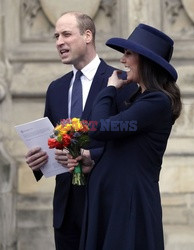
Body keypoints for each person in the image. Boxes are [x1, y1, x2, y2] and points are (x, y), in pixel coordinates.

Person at [25, 11, 136, 250]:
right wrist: (38, 161)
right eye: (56, 36)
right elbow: (52, 141)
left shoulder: (121, 81)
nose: (59, 42)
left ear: (88, 35)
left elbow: (128, 144)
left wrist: (91, 156)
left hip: (104, 204)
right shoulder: (56, 88)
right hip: (66, 212)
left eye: (66, 34)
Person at [77, 23, 182, 250]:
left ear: (145, 60)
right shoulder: (139, 100)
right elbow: (123, 148)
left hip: (130, 202)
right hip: (115, 200)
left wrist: (109, 89)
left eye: (128, 54)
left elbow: (99, 128)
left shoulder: (156, 102)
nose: (123, 60)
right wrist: (93, 158)